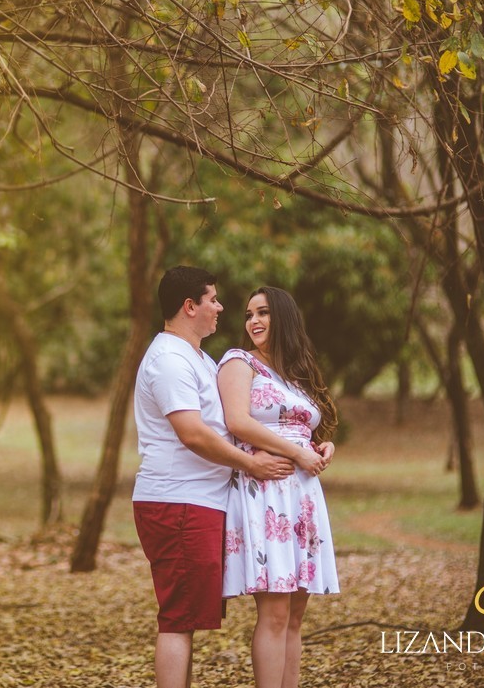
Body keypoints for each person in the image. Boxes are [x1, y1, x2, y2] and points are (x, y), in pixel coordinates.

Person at [132, 266, 296, 688]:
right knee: (177, 619)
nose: (221, 308)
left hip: (199, 502)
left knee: (186, 617)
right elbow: (192, 433)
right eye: (214, 299)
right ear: (190, 306)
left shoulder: (198, 358)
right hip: (178, 502)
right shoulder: (169, 360)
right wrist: (250, 464)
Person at [219, 286, 340, 688]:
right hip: (266, 492)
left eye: (263, 313)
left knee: (294, 617)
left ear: (283, 317)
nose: (253, 321)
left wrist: (322, 447)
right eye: (249, 314)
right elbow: (238, 422)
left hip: (302, 496)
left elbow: (307, 427)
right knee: (273, 613)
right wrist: (297, 452)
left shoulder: (297, 374)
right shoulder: (239, 363)